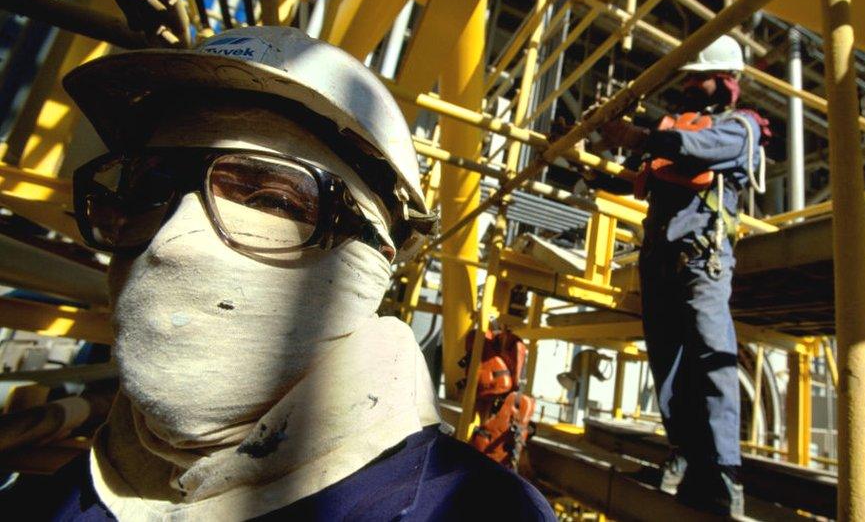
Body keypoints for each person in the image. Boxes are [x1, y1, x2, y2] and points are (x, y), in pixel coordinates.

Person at [25, 26, 554, 521]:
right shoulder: (49, 502)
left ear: (374, 259)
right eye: (146, 191)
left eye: (270, 198)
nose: (169, 243)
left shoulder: (471, 510)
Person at [582, 35, 769, 517]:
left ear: (725, 80)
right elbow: (631, 173)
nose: (688, 84)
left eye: (698, 76)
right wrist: (582, 150)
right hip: (659, 260)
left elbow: (694, 148)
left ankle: (723, 474)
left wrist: (640, 135)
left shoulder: (739, 128)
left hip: (701, 259)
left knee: (712, 359)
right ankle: (685, 457)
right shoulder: (672, 131)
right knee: (668, 362)